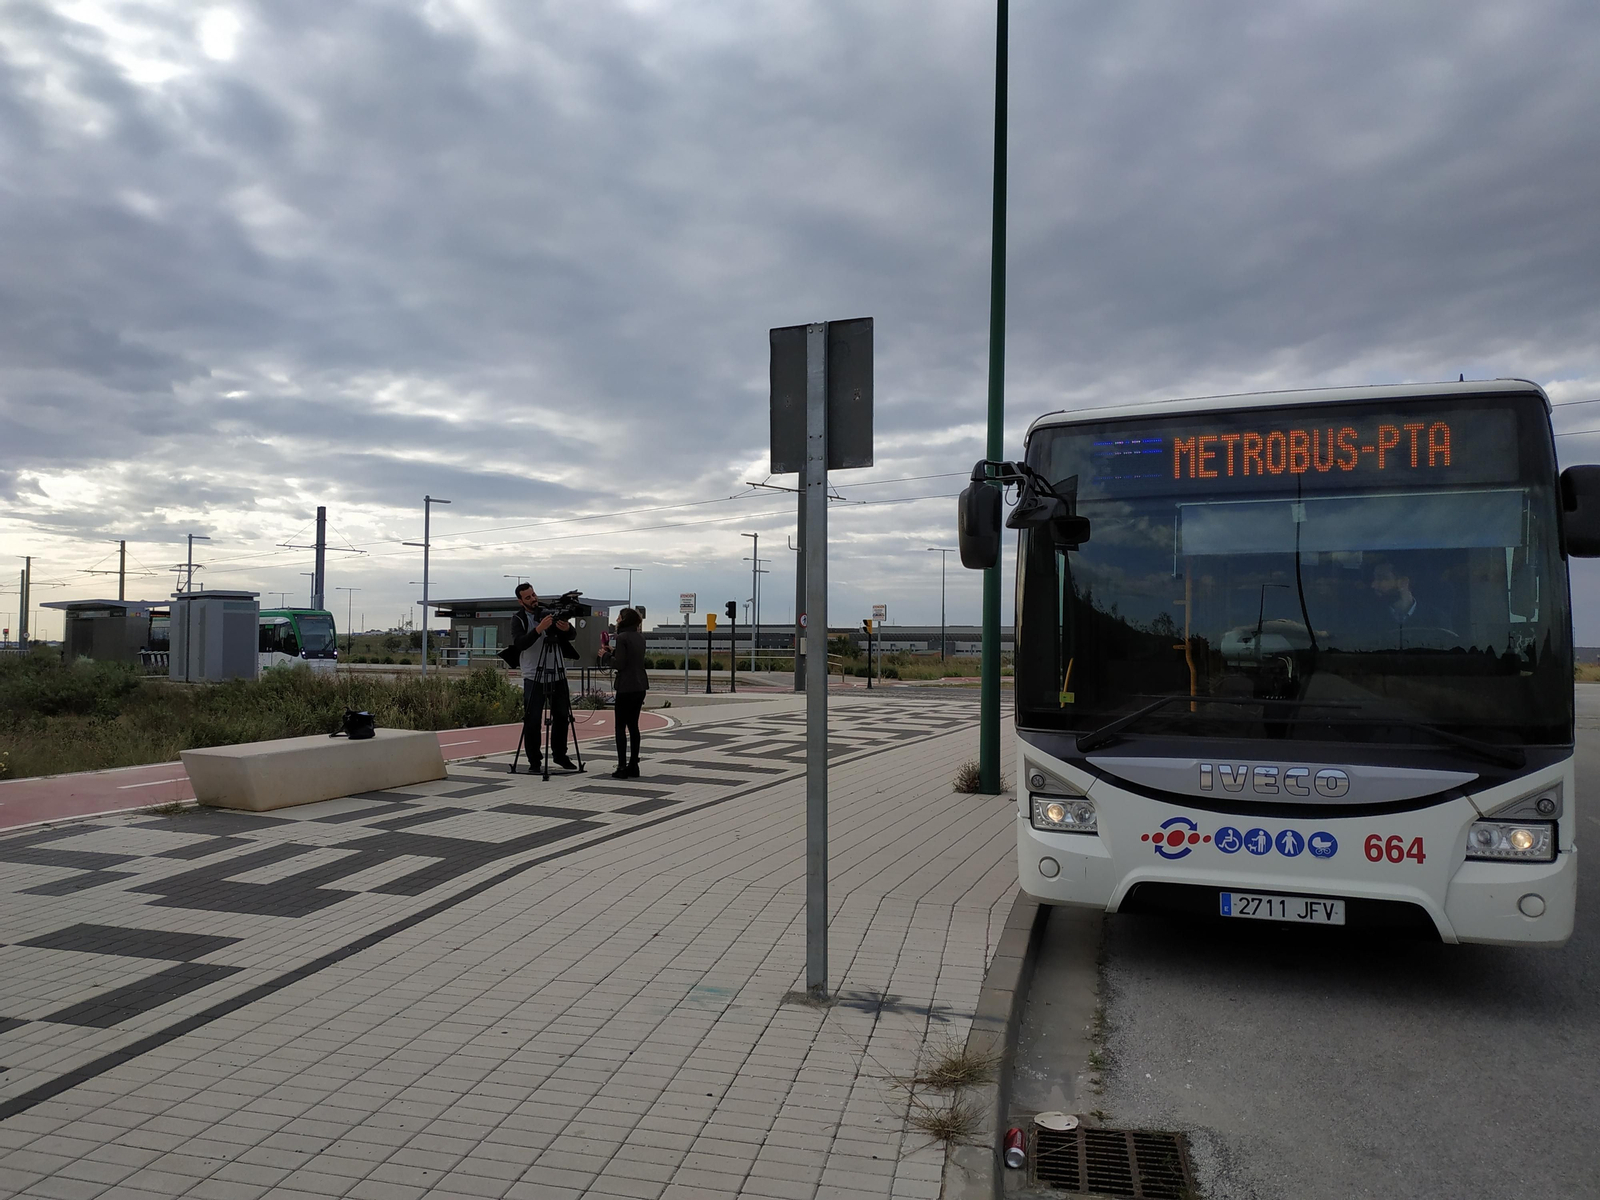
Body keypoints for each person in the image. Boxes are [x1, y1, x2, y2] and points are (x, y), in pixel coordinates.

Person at [508, 583, 577, 772]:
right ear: (520, 601)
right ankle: (535, 761)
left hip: (556, 670)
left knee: (562, 716)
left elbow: (572, 635)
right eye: (528, 597)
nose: (533, 599)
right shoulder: (518, 619)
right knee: (532, 719)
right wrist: (539, 629)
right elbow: (520, 643)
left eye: (533, 595)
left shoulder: (547, 611)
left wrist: (566, 629)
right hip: (533, 675)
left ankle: (560, 755)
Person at [607, 607, 649, 778]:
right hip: (640, 685)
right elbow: (631, 658)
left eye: (619, 617)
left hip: (626, 686)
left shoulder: (621, 637)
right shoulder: (640, 638)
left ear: (624, 620)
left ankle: (621, 766)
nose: (617, 619)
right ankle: (633, 765)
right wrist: (615, 653)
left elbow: (620, 664)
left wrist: (606, 656)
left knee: (620, 727)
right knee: (633, 726)